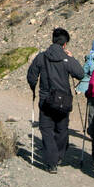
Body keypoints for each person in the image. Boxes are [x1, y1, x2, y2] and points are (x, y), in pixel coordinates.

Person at [26, 27, 85, 173]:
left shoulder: (42, 57)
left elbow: (31, 76)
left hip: (46, 100)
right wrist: (71, 58)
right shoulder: (66, 59)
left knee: (46, 130)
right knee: (62, 129)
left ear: (52, 40)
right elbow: (80, 74)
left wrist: (34, 89)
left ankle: (52, 163)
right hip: (64, 101)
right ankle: (58, 156)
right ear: (65, 44)